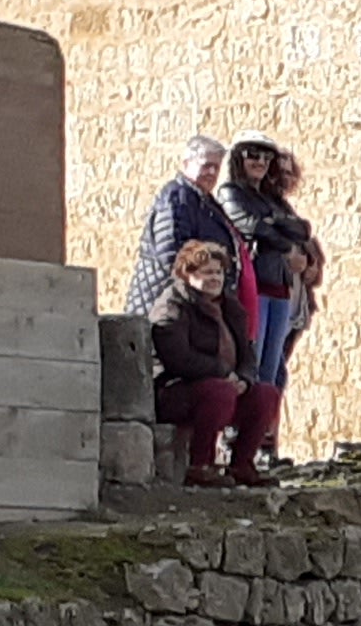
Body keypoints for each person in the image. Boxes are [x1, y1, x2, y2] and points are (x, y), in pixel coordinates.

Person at [223, 138, 312, 478]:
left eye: (266, 156)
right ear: (239, 159)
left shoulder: (271, 199)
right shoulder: (231, 192)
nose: (260, 161)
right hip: (253, 287)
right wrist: (279, 233)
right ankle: (241, 446)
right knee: (255, 366)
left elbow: (301, 229)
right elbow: (250, 225)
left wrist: (277, 230)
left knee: (273, 371)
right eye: (252, 155)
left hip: (278, 289)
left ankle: (264, 444)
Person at [148, 235, 255, 485]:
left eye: (218, 272)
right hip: (176, 389)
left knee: (264, 396)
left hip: (223, 384)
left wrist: (245, 379)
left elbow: (248, 352)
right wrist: (221, 373)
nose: (215, 278)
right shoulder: (172, 306)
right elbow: (177, 358)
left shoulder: (230, 307)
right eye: (207, 272)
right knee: (219, 392)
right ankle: (200, 465)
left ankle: (242, 466)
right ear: (188, 274)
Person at [132, 134, 235, 312]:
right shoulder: (177, 198)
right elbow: (172, 256)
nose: (211, 172)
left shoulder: (204, 201)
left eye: (216, 167)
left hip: (190, 303)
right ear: (187, 164)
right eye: (206, 165)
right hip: (166, 305)